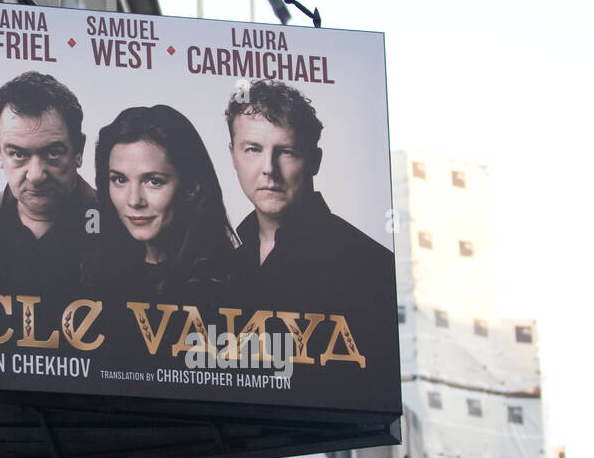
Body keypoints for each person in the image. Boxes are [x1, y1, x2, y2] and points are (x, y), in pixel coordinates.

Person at [225, 80, 396, 317]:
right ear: (233, 156)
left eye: (286, 151)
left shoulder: (371, 266)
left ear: (314, 161)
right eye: (253, 149)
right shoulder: (223, 260)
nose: (268, 169)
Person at [83, 105, 237, 321]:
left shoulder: (228, 284)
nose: (134, 200)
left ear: (191, 187)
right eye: (120, 179)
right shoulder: (94, 271)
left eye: (154, 181)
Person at [0, 71, 96, 303]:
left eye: (53, 152)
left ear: (79, 151)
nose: (36, 176)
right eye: (18, 153)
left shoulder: (123, 225)